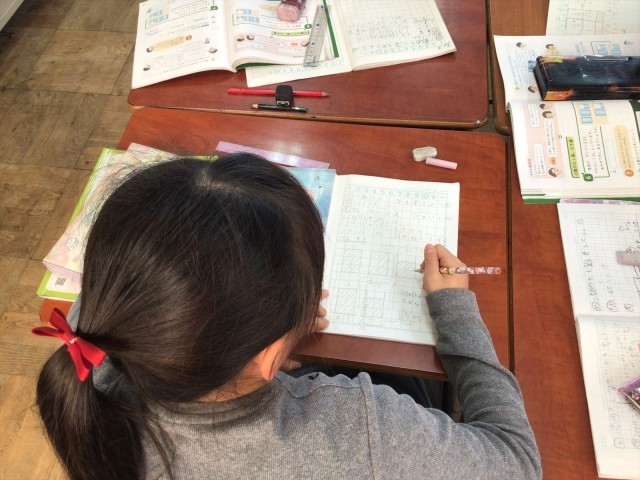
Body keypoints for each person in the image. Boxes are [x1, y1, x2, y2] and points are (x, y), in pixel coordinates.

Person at [34, 154, 541, 480]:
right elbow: (516, 460)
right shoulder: (354, 429)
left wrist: (271, 330)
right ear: (272, 356)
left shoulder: (91, 339)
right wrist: (456, 312)